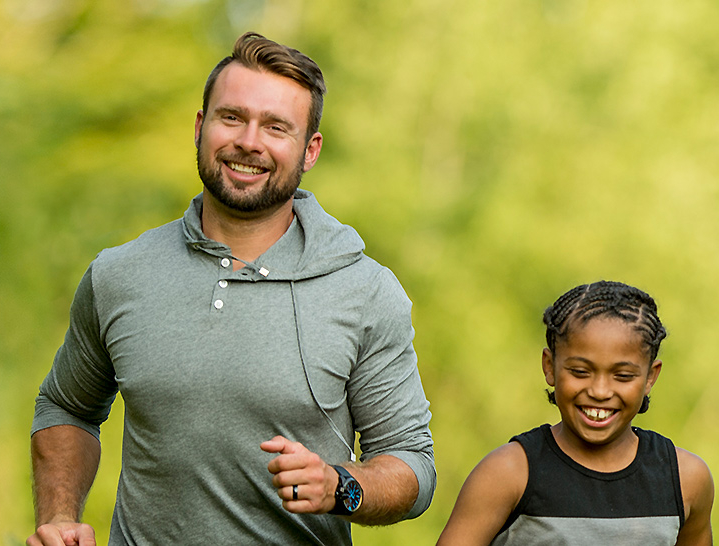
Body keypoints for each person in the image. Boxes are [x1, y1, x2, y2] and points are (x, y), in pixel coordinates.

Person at [27, 32, 436, 546]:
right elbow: (67, 407)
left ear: (310, 151)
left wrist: (340, 486)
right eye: (232, 117)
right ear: (200, 127)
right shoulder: (120, 274)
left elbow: (413, 466)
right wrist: (61, 517)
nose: (249, 141)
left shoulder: (364, 290)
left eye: (275, 127)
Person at [433, 281, 715, 546]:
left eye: (623, 375)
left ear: (650, 378)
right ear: (549, 366)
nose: (600, 391)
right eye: (580, 371)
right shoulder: (508, 474)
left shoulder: (685, 479)